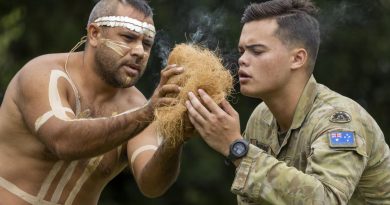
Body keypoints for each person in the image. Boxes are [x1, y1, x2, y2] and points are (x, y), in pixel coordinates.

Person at [185, 0, 390, 204]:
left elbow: (327, 200)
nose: (242, 60)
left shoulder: (338, 121)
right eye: (242, 51)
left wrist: (237, 148)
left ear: (297, 59)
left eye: (257, 51)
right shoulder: (261, 117)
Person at [0, 0, 184, 204]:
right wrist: (147, 113)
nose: (139, 52)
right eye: (128, 37)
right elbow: (63, 141)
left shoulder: (139, 107)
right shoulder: (43, 75)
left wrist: (177, 138)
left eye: (146, 44)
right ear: (95, 34)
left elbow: (151, 185)